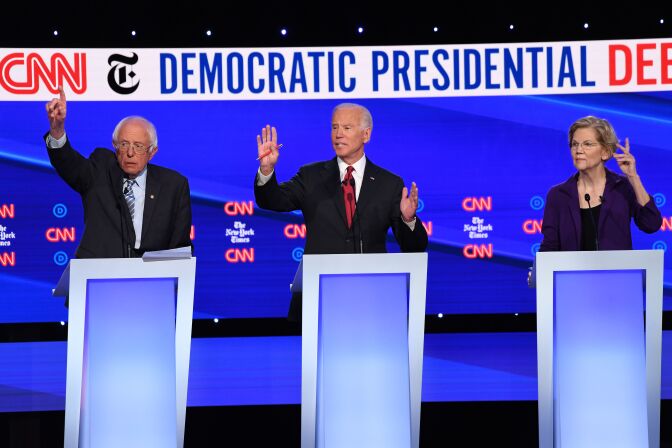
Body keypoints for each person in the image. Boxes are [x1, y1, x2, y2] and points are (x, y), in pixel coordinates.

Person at [254, 102, 428, 320]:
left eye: (347, 128)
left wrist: (408, 219)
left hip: (372, 299)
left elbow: (414, 247)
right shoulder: (311, 176)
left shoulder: (389, 184)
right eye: (334, 127)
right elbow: (273, 201)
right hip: (318, 297)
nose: (338, 135)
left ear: (366, 134)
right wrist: (267, 170)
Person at [45, 86, 192, 259]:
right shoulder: (100, 170)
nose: (130, 153)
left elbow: (180, 246)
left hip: (152, 279)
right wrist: (57, 130)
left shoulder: (173, 185)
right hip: (99, 275)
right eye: (124, 144)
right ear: (115, 148)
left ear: (152, 152)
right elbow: (69, 164)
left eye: (138, 146)